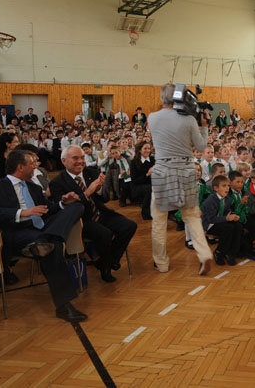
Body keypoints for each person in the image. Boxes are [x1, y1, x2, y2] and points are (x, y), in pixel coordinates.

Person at [0, 149, 86, 322]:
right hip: (15, 231)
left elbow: (47, 209)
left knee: (76, 207)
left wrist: (63, 203)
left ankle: (46, 238)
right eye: (33, 163)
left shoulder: (34, 187)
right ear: (20, 167)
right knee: (54, 248)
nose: (37, 165)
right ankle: (64, 306)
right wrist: (23, 212)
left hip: (41, 229)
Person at [148, 84, 212, 275]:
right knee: (192, 217)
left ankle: (161, 263)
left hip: (162, 171)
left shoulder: (152, 118)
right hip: (186, 170)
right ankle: (204, 255)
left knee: (159, 220)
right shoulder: (190, 120)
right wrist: (204, 126)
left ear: (162, 99)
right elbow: (201, 147)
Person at [49, 145, 136, 283]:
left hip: (100, 213)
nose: (80, 161)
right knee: (105, 234)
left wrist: (100, 189)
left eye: (82, 157)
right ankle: (105, 269)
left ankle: (107, 261)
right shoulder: (57, 183)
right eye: (75, 158)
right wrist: (88, 192)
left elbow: (105, 199)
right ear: (64, 160)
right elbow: (68, 210)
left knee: (129, 226)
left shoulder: (91, 172)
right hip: (81, 220)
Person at [130, 141, 154, 220]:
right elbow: (135, 180)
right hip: (138, 186)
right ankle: (146, 213)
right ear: (140, 150)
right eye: (145, 148)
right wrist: (147, 174)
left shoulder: (153, 160)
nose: (147, 150)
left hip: (152, 183)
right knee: (150, 189)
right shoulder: (134, 162)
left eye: (149, 148)